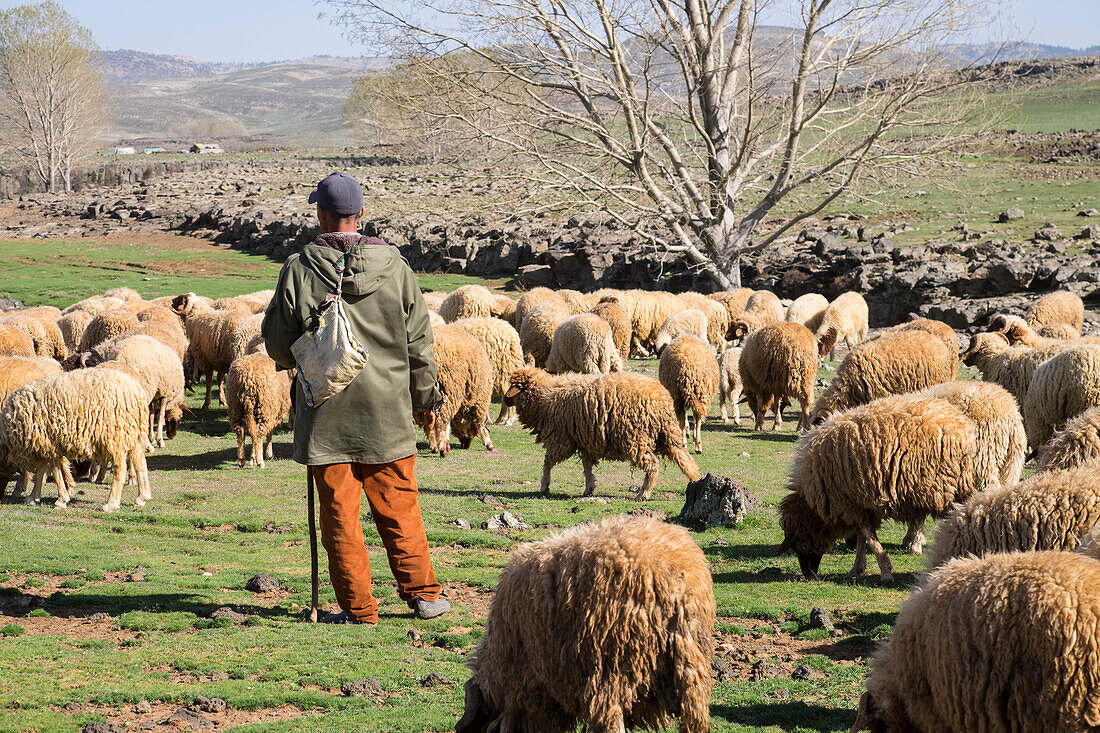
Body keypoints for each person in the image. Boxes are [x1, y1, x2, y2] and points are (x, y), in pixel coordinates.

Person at [262, 171, 450, 624]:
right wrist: (426, 398)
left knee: (339, 517)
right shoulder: (398, 268)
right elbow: (419, 342)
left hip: (326, 413)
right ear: (361, 214)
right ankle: (425, 595)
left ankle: (359, 609)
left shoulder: (300, 268)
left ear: (320, 215)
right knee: (399, 505)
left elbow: (276, 342)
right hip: (388, 412)